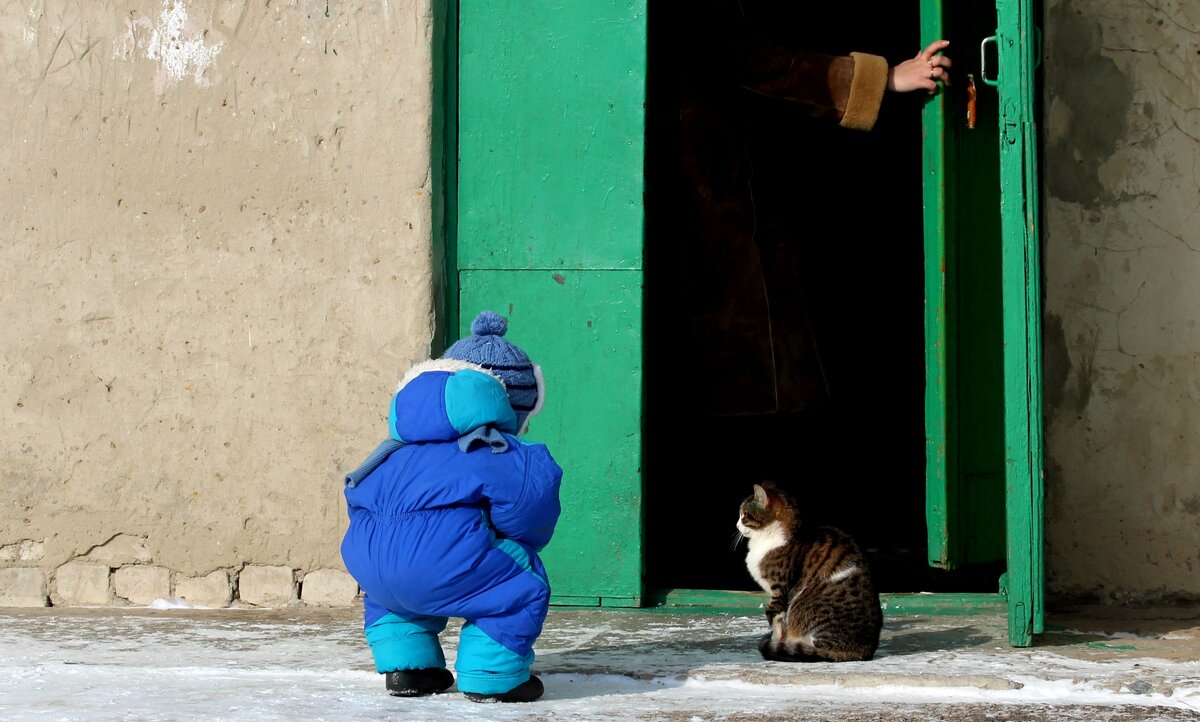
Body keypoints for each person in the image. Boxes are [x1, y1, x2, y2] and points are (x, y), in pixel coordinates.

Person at [340, 310, 562, 703]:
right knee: (519, 581)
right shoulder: (497, 449)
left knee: (394, 582)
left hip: (371, 566)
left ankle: (410, 669)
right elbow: (529, 515)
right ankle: (492, 677)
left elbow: (357, 498)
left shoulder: (392, 450)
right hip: (443, 564)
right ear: (509, 405)